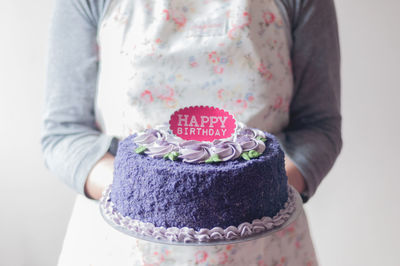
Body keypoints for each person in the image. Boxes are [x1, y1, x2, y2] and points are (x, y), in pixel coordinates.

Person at [42, 0, 341, 264]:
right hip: (119, 250)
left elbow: (319, 127)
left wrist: (247, 196)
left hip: (264, 251)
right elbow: (64, 133)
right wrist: (148, 198)